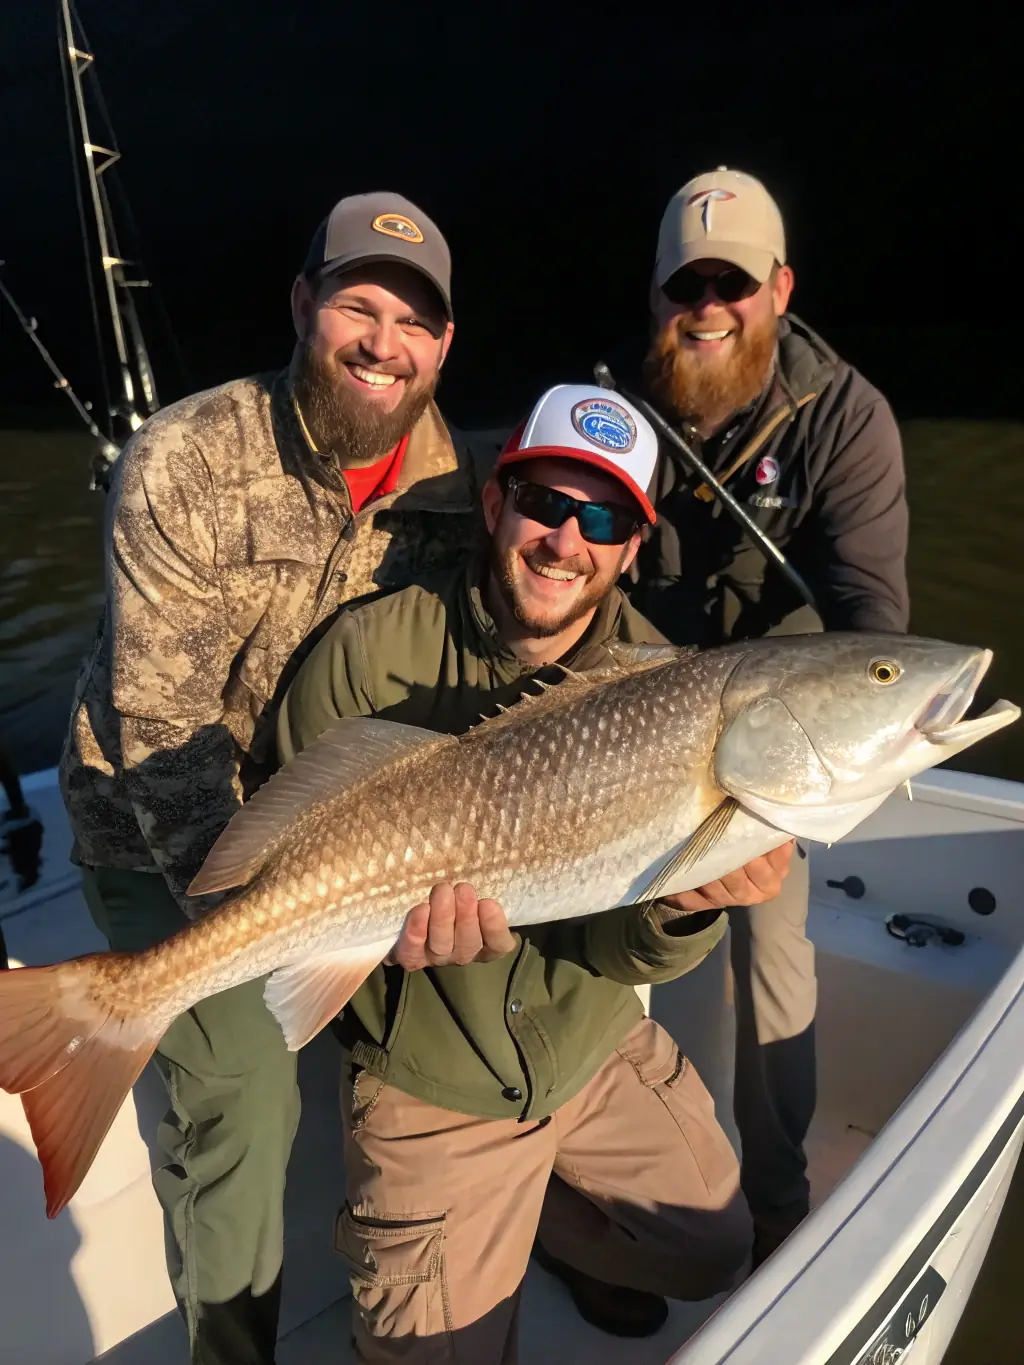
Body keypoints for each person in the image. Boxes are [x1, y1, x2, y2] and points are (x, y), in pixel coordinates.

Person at [57, 191, 499, 1365]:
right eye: (357, 304)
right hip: (155, 826)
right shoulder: (186, 459)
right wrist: (254, 917)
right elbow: (156, 721)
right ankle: (233, 1348)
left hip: (367, 828)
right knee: (247, 1089)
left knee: (479, 994)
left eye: (414, 322)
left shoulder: (466, 494)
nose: (382, 342)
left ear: (445, 345)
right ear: (304, 306)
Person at [276, 383, 796, 1360]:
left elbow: (621, 933)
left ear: (631, 547)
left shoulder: (662, 681)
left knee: (714, 1253)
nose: (565, 539)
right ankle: (488, 1218)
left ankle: (543, 1225)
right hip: (433, 1072)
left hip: (584, 1041)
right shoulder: (366, 653)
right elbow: (289, 861)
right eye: (545, 504)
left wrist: (686, 905)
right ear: (494, 504)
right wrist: (385, 949)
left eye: (600, 518)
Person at [607, 166, 910, 1265]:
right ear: (657, 297)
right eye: (686, 283)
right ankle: (587, 1163)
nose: (707, 306)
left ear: (779, 288)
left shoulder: (847, 420)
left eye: (730, 282)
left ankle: (775, 1191)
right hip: (629, 710)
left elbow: (872, 618)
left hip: (769, 731)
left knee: (770, 933)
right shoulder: (625, 404)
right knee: (569, 899)